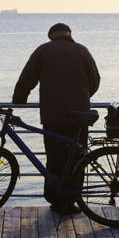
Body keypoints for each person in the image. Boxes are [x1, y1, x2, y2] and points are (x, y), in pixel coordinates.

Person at [12, 23, 100, 215]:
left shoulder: (43, 50)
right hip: (80, 116)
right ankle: (72, 199)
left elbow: (27, 78)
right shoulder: (82, 50)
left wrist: (19, 100)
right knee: (77, 158)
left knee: (54, 158)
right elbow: (95, 81)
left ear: (51, 36)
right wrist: (82, 98)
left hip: (53, 115)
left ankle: (56, 200)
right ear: (69, 35)